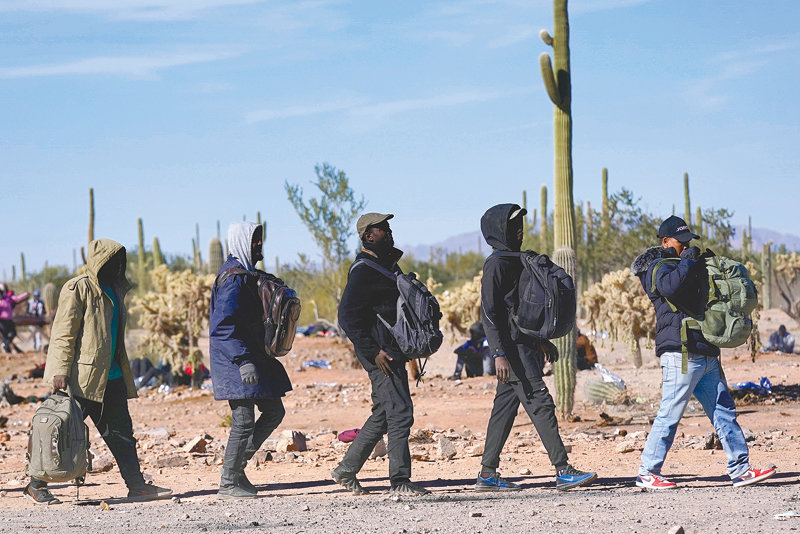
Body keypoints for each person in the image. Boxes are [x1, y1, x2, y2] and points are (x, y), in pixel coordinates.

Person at [631, 215, 776, 489]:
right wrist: (688, 261)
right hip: (681, 353)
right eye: (681, 242)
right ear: (665, 241)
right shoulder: (657, 268)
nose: (686, 246)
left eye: (689, 242)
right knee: (670, 414)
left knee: (724, 411)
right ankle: (647, 472)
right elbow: (670, 287)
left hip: (705, 350)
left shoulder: (683, 264)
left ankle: (741, 469)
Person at [28, 239, 172, 505]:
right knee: (61, 431)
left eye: (120, 260)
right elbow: (63, 333)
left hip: (112, 377)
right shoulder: (78, 288)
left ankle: (137, 485)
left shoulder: (115, 290)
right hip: (82, 380)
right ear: (100, 260)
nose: (117, 265)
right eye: (112, 260)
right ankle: (36, 484)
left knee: (121, 434)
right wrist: (59, 370)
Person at [475, 203, 597, 492]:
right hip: (512, 350)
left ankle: (487, 475)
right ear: (499, 231)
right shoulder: (496, 264)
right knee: (540, 402)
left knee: (503, 411)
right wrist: (498, 354)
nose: (519, 231)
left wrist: (542, 340)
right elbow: (490, 312)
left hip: (525, 346)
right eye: (512, 226)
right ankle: (563, 470)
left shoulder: (517, 259)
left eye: (520, 225)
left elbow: (523, 308)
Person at [332, 213, 429, 497]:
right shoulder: (363, 270)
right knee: (400, 413)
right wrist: (374, 351)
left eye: (388, 227)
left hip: (391, 352)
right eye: (382, 229)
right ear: (368, 236)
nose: (389, 231)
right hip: (380, 356)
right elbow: (347, 317)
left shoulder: (384, 266)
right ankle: (400, 481)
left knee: (385, 414)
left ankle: (346, 470)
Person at [209, 222, 292, 499]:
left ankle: (235, 468)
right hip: (235, 361)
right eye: (254, 240)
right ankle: (228, 481)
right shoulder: (233, 279)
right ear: (242, 242)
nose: (259, 245)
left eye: (261, 240)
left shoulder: (246, 275)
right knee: (244, 420)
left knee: (274, 411)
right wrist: (243, 360)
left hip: (251, 357)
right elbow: (222, 327)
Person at [0, 283, 28, 353]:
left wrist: (25, 294)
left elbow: (17, 298)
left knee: (13, 333)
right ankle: (7, 347)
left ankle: (6, 344)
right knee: (5, 335)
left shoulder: (7, 299)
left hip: (9, 320)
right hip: (2, 321)